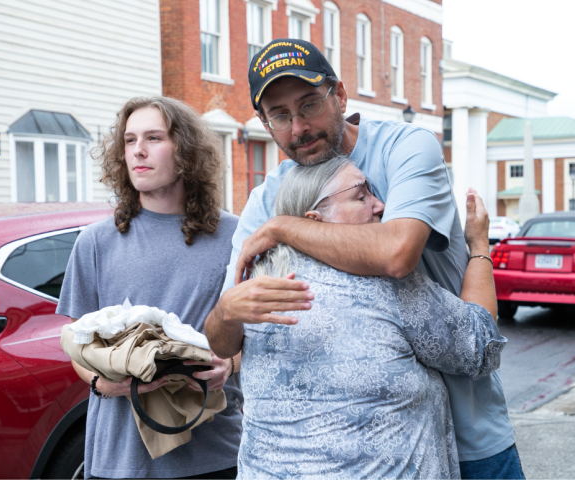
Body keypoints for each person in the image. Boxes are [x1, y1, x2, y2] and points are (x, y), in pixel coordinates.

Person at [204, 39, 524, 479]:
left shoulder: (407, 147)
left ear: (339, 96)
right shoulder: (266, 197)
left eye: (310, 104)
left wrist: (284, 227)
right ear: (264, 122)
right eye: (279, 115)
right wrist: (226, 315)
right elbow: (230, 336)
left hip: (469, 425)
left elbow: (397, 254)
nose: (298, 127)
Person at [235, 156, 505, 479]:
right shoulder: (385, 283)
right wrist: (479, 245)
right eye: (361, 196)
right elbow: (480, 346)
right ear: (313, 220)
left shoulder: (256, 286)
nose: (381, 205)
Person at [57, 97, 242, 479]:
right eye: (129, 140)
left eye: (154, 137)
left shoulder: (235, 236)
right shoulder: (95, 242)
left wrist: (229, 364)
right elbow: (77, 346)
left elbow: (257, 336)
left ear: (186, 150)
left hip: (213, 454)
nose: (138, 150)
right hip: (120, 458)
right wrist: (101, 382)